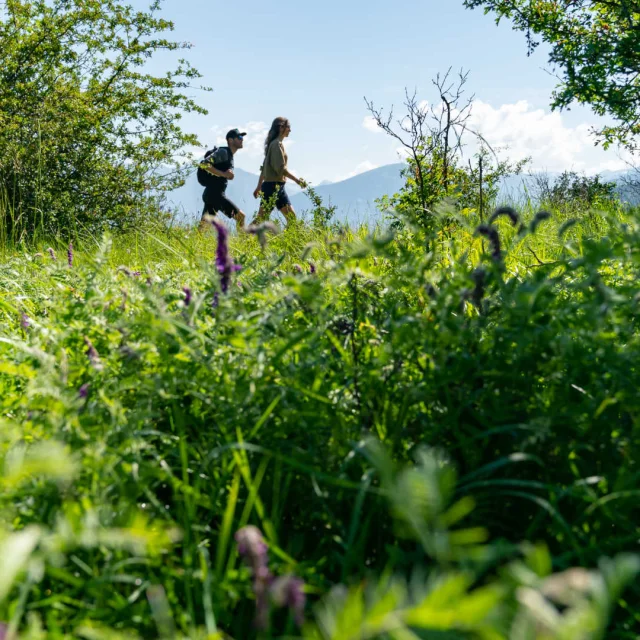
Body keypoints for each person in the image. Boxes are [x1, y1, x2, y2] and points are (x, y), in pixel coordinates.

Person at [251, 117, 306, 227]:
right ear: (281, 128)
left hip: (276, 187)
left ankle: (288, 242)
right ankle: (244, 238)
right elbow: (281, 169)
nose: (290, 130)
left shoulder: (274, 144)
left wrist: (258, 187)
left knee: (291, 218)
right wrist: (297, 180)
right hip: (272, 187)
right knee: (261, 219)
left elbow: (264, 169)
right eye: (288, 127)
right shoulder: (276, 145)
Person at [199, 128, 247, 232]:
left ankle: (190, 245)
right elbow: (204, 164)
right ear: (230, 140)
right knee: (241, 217)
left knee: (203, 228)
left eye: (242, 137)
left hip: (211, 194)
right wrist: (224, 174)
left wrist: (226, 175)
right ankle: (245, 245)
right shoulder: (223, 152)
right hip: (215, 194)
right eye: (239, 137)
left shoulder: (229, 155)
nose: (242, 139)